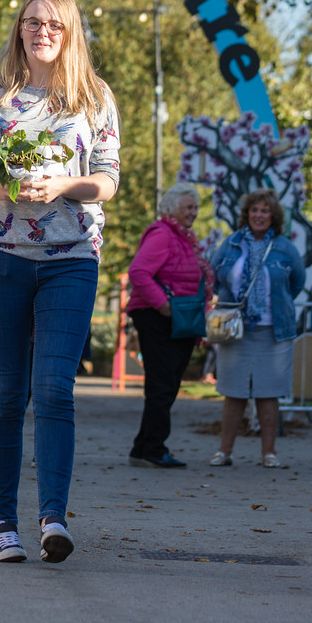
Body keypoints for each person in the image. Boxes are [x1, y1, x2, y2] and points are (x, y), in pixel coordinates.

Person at [0, 0, 120, 565]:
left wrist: (64, 186)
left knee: (53, 388)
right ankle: (4, 524)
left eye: (53, 24)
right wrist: (9, 187)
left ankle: (53, 517)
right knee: (6, 395)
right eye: (32, 22)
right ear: (19, 29)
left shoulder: (94, 96)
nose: (42, 32)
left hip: (70, 258)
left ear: (70, 31)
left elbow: (107, 180)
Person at [207, 188, 306, 468]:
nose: (259, 215)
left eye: (265, 211)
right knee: (233, 391)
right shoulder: (231, 243)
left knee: (268, 393)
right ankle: (224, 452)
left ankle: (269, 453)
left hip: (273, 331)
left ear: (273, 216)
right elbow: (215, 277)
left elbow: (296, 283)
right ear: (246, 214)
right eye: (254, 210)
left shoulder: (285, 247)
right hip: (235, 331)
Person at [125, 183, 211, 469]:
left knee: (169, 383)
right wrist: (163, 305)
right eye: (189, 207)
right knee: (163, 385)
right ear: (171, 209)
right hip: (158, 317)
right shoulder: (163, 234)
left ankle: (143, 447)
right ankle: (153, 448)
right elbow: (138, 271)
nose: (194, 213)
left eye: (195, 207)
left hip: (179, 318)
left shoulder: (184, 236)